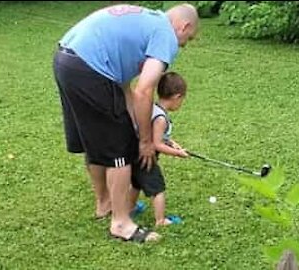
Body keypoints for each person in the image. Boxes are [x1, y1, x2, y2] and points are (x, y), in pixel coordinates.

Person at [52, 3, 199, 242]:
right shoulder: (165, 35)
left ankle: (105, 204)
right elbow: (144, 90)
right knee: (119, 147)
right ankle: (121, 223)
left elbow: (124, 85)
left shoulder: (147, 21)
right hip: (90, 68)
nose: (184, 44)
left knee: (98, 140)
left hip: (67, 59)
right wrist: (143, 140)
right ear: (184, 26)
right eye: (188, 38)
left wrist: (134, 124)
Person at [129, 72, 189, 226]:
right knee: (158, 189)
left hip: (134, 153)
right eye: (182, 99)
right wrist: (177, 153)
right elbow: (157, 144)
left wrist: (171, 142)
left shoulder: (152, 108)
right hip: (146, 157)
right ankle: (160, 220)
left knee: (136, 183)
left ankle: (129, 208)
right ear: (176, 97)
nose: (181, 103)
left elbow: (158, 137)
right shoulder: (161, 118)